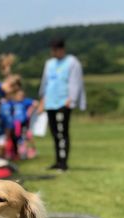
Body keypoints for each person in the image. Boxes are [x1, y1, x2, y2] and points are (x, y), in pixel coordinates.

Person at [38, 38, 86, 171]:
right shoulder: (49, 63)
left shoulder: (72, 62)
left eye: (55, 50)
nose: (53, 52)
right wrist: (43, 100)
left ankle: (64, 162)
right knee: (54, 133)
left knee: (62, 133)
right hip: (50, 102)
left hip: (63, 102)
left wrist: (71, 98)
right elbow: (45, 83)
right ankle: (57, 161)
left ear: (62, 49)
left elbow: (75, 81)